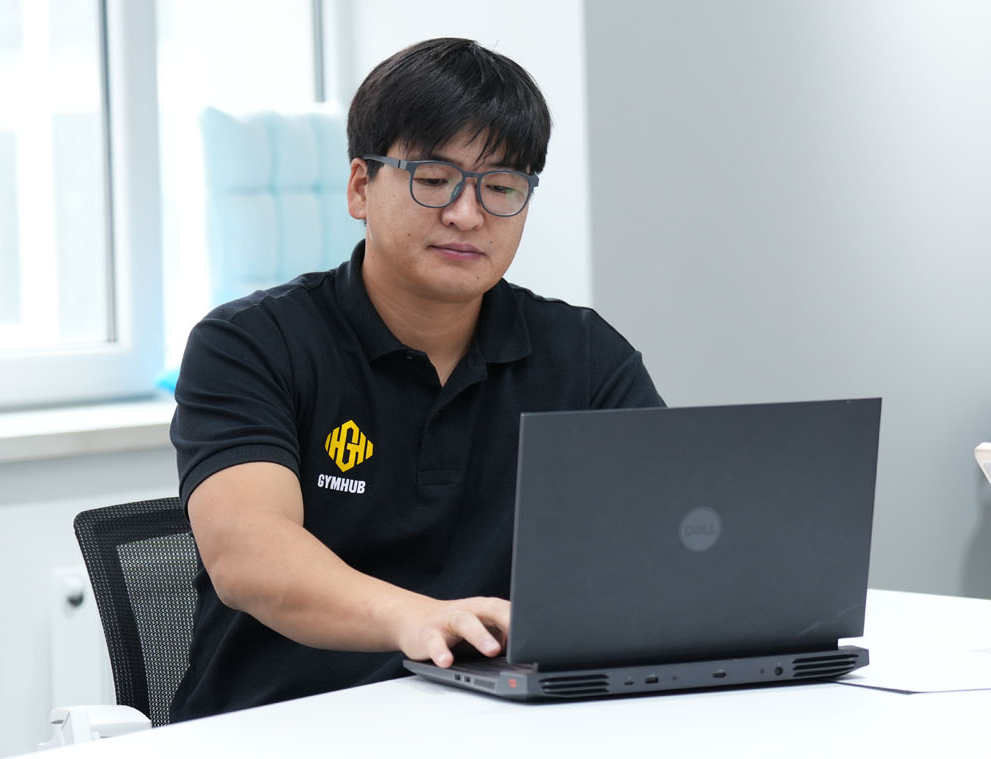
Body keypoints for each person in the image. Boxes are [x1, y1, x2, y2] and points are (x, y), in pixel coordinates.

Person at [169, 38, 664, 719]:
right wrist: (416, 618)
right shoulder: (251, 344)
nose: (467, 213)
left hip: (494, 720)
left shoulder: (583, 355)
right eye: (434, 178)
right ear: (360, 187)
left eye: (501, 187)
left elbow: (668, 535)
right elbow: (249, 555)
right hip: (280, 722)